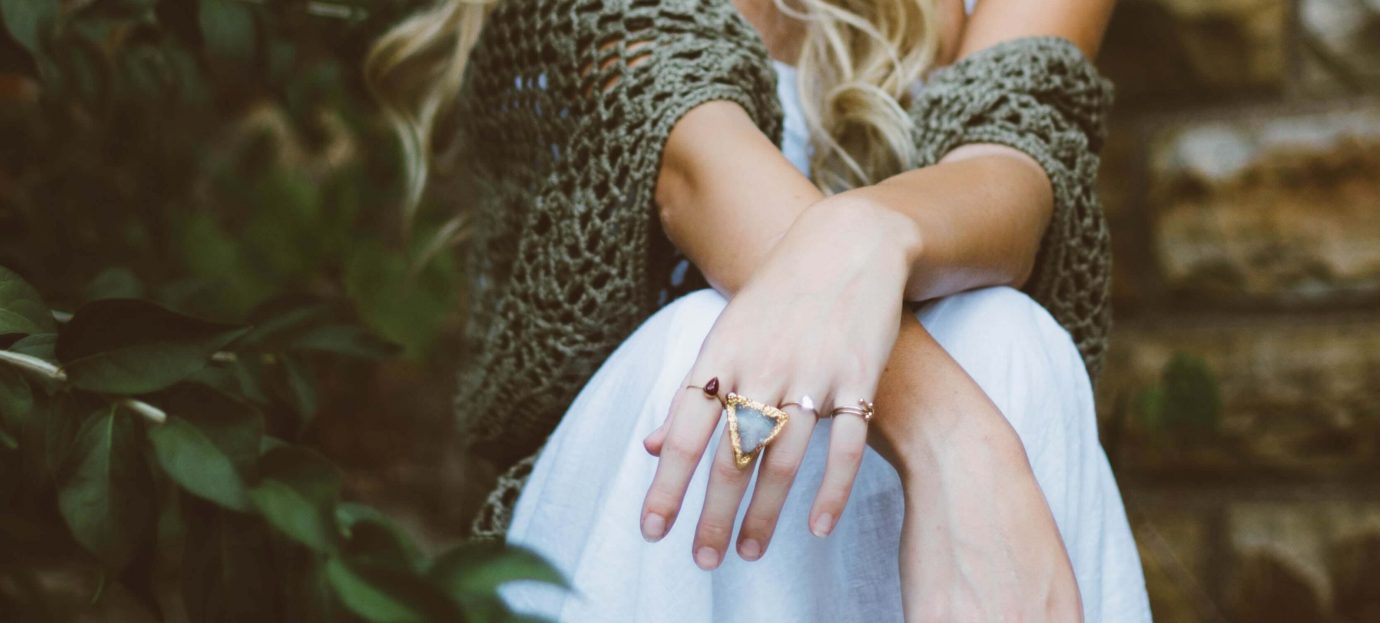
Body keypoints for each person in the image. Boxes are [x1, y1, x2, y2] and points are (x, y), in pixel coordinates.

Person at [368, 0, 1152, 620]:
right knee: (709, 342)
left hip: (863, 500)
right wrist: (956, 436)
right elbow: (695, 174)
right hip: (641, 514)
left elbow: (1014, 174)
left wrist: (867, 232)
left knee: (1005, 332)